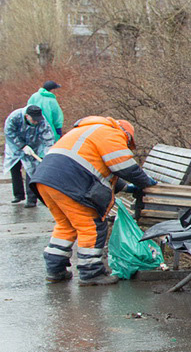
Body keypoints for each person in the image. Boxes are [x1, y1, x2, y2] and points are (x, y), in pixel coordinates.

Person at [30, 117, 157, 284]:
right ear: (126, 134)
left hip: (45, 180)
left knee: (66, 225)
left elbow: (101, 169)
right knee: (91, 226)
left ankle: (55, 269)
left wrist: (127, 187)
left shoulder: (87, 131)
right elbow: (123, 166)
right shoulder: (111, 133)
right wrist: (146, 182)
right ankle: (91, 273)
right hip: (69, 182)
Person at [5, 105, 55, 208]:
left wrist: (49, 154)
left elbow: (48, 138)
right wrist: (22, 146)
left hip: (33, 145)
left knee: (31, 170)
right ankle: (18, 194)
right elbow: (9, 133)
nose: (36, 122)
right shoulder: (14, 118)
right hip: (15, 145)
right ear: (27, 116)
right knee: (15, 168)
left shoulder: (42, 121)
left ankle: (31, 199)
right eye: (34, 120)